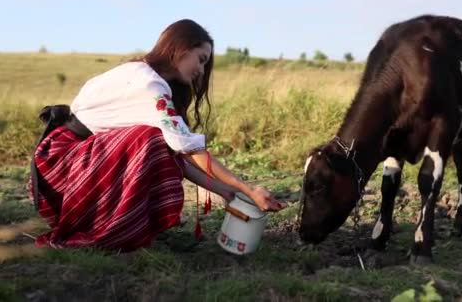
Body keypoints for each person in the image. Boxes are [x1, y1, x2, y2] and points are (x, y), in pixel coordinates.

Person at [28, 19, 287, 252]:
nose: (201, 70)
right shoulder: (148, 84)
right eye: (201, 59)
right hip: (61, 169)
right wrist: (247, 189)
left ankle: (123, 225)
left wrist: (226, 192)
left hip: (77, 164)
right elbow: (189, 150)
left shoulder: (142, 74)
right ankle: (111, 229)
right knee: (151, 139)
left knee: (158, 142)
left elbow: (177, 154)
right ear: (181, 48)